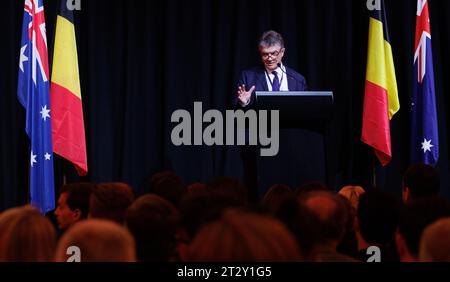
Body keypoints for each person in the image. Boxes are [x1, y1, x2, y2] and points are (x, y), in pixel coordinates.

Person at [234, 30, 325, 201]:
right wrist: (244, 103)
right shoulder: (248, 76)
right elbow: (238, 117)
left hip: (291, 148)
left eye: (273, 53)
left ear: (282, 52)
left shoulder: (297, 80)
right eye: (264, 54)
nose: (269, 58)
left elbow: (305, 115)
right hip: (260, 148)